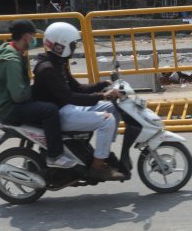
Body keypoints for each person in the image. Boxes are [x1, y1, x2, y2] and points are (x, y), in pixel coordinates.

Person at [32, 22, 124, 181]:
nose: (74, 48)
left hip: (69, 108)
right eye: (72, 44)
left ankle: (104, 154)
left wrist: (102, 85)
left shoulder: (57, 62)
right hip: (60, 114)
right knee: (107, 121)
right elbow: (70, 97)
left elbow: (77, 88)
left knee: (113, 107)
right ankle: (97, 168)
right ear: (61, 45)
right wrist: (101, 96)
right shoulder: (47, 68)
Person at [0, 19, 77, 169]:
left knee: (48, 103)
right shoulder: (12, 61)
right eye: (32, 36)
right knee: (50, 110)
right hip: (8, 107)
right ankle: (55, 155)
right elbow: (19, 95)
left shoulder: (15, 51)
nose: (34, 40)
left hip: (8, 101)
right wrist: (37, 90)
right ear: (25, 37)